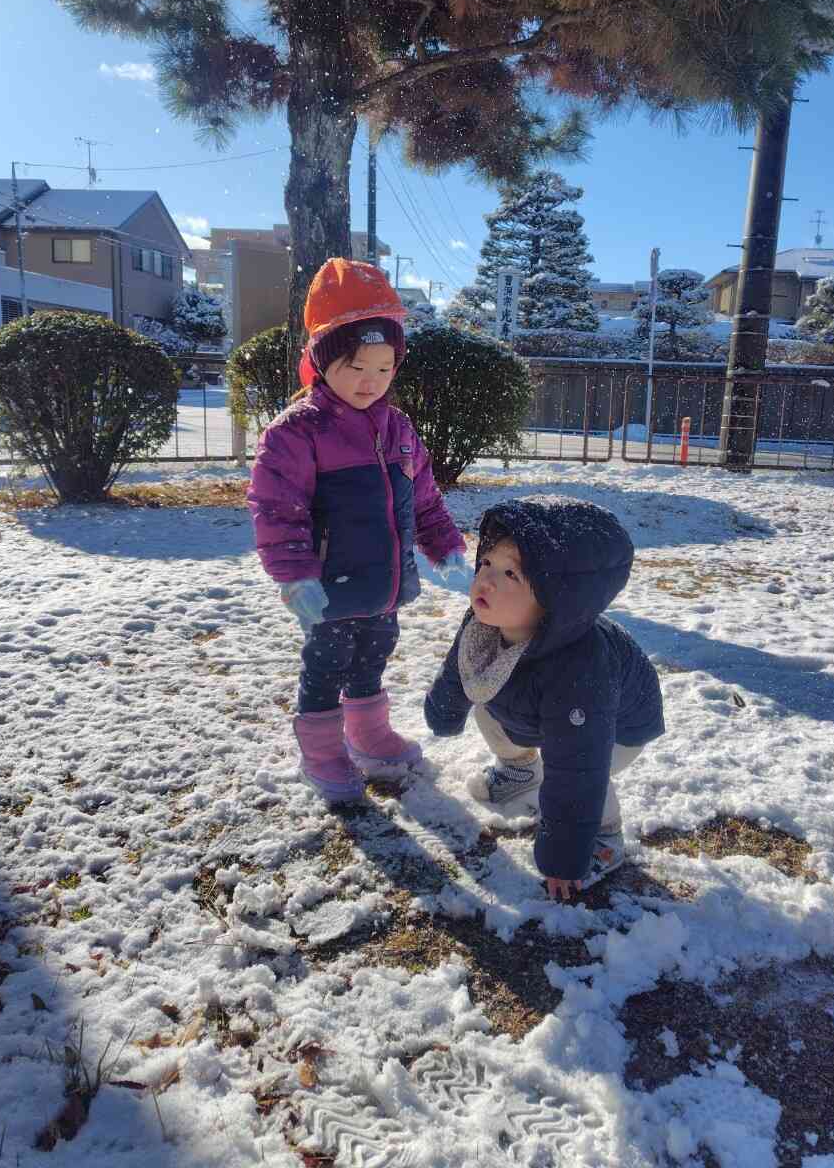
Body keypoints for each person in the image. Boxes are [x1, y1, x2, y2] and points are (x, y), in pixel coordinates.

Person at [248, 258, 467, 802]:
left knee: (375, 654)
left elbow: (425, 501)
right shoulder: (297, 432)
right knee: (327, 666)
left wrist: (447, 551)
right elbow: (277, 511)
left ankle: (367, 732)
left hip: (384, 584)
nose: (369, 382)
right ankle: (321, 749)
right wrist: (296, 576)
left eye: (383, 368)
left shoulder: (398, 428)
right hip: (329, 586)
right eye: (354, 367)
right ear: (324, 363)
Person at [425, 495, 664, 899]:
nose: (485, 580)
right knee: (486, 692)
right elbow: (461, 673)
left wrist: (564, 857)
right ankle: (519, 769)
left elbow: (577, 770)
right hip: (543, 710)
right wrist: (444, 713)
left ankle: (605, 838)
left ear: (553, 597)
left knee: (586, 771)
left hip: (615, 732)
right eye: (485, 563)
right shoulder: (486, 622)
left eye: (510, 574)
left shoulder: (580, 666)